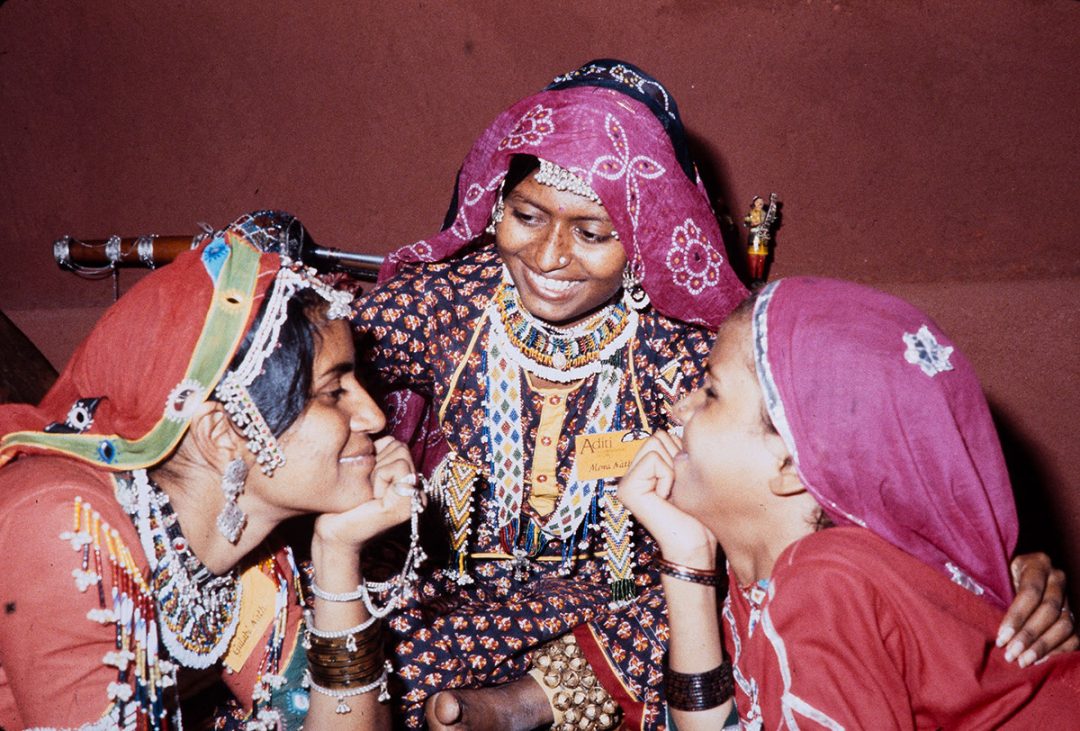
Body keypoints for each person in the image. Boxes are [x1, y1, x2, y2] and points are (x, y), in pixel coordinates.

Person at [351, 60, 1073, 730]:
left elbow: (833, 468)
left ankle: (519, 706)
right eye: (527, 217)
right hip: (456, 590)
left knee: (693, 594)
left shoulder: (692, 351)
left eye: (592, 233)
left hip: (617, 608)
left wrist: (993, 572)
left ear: (641, 239)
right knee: (365, 614)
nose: (547, 256)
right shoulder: (448, 301)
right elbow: (314, 352)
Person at [0, 211, 424, 730]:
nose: (374, 418)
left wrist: (338, 552)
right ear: (223, 433)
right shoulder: (65, 528)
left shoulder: (244, 542)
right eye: (334, 392)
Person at [618, 277, 1080, 729]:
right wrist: (686, 557)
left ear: (792, 463)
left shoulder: (823, 583)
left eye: (711, 392)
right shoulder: (775, 578)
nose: (679, 408)